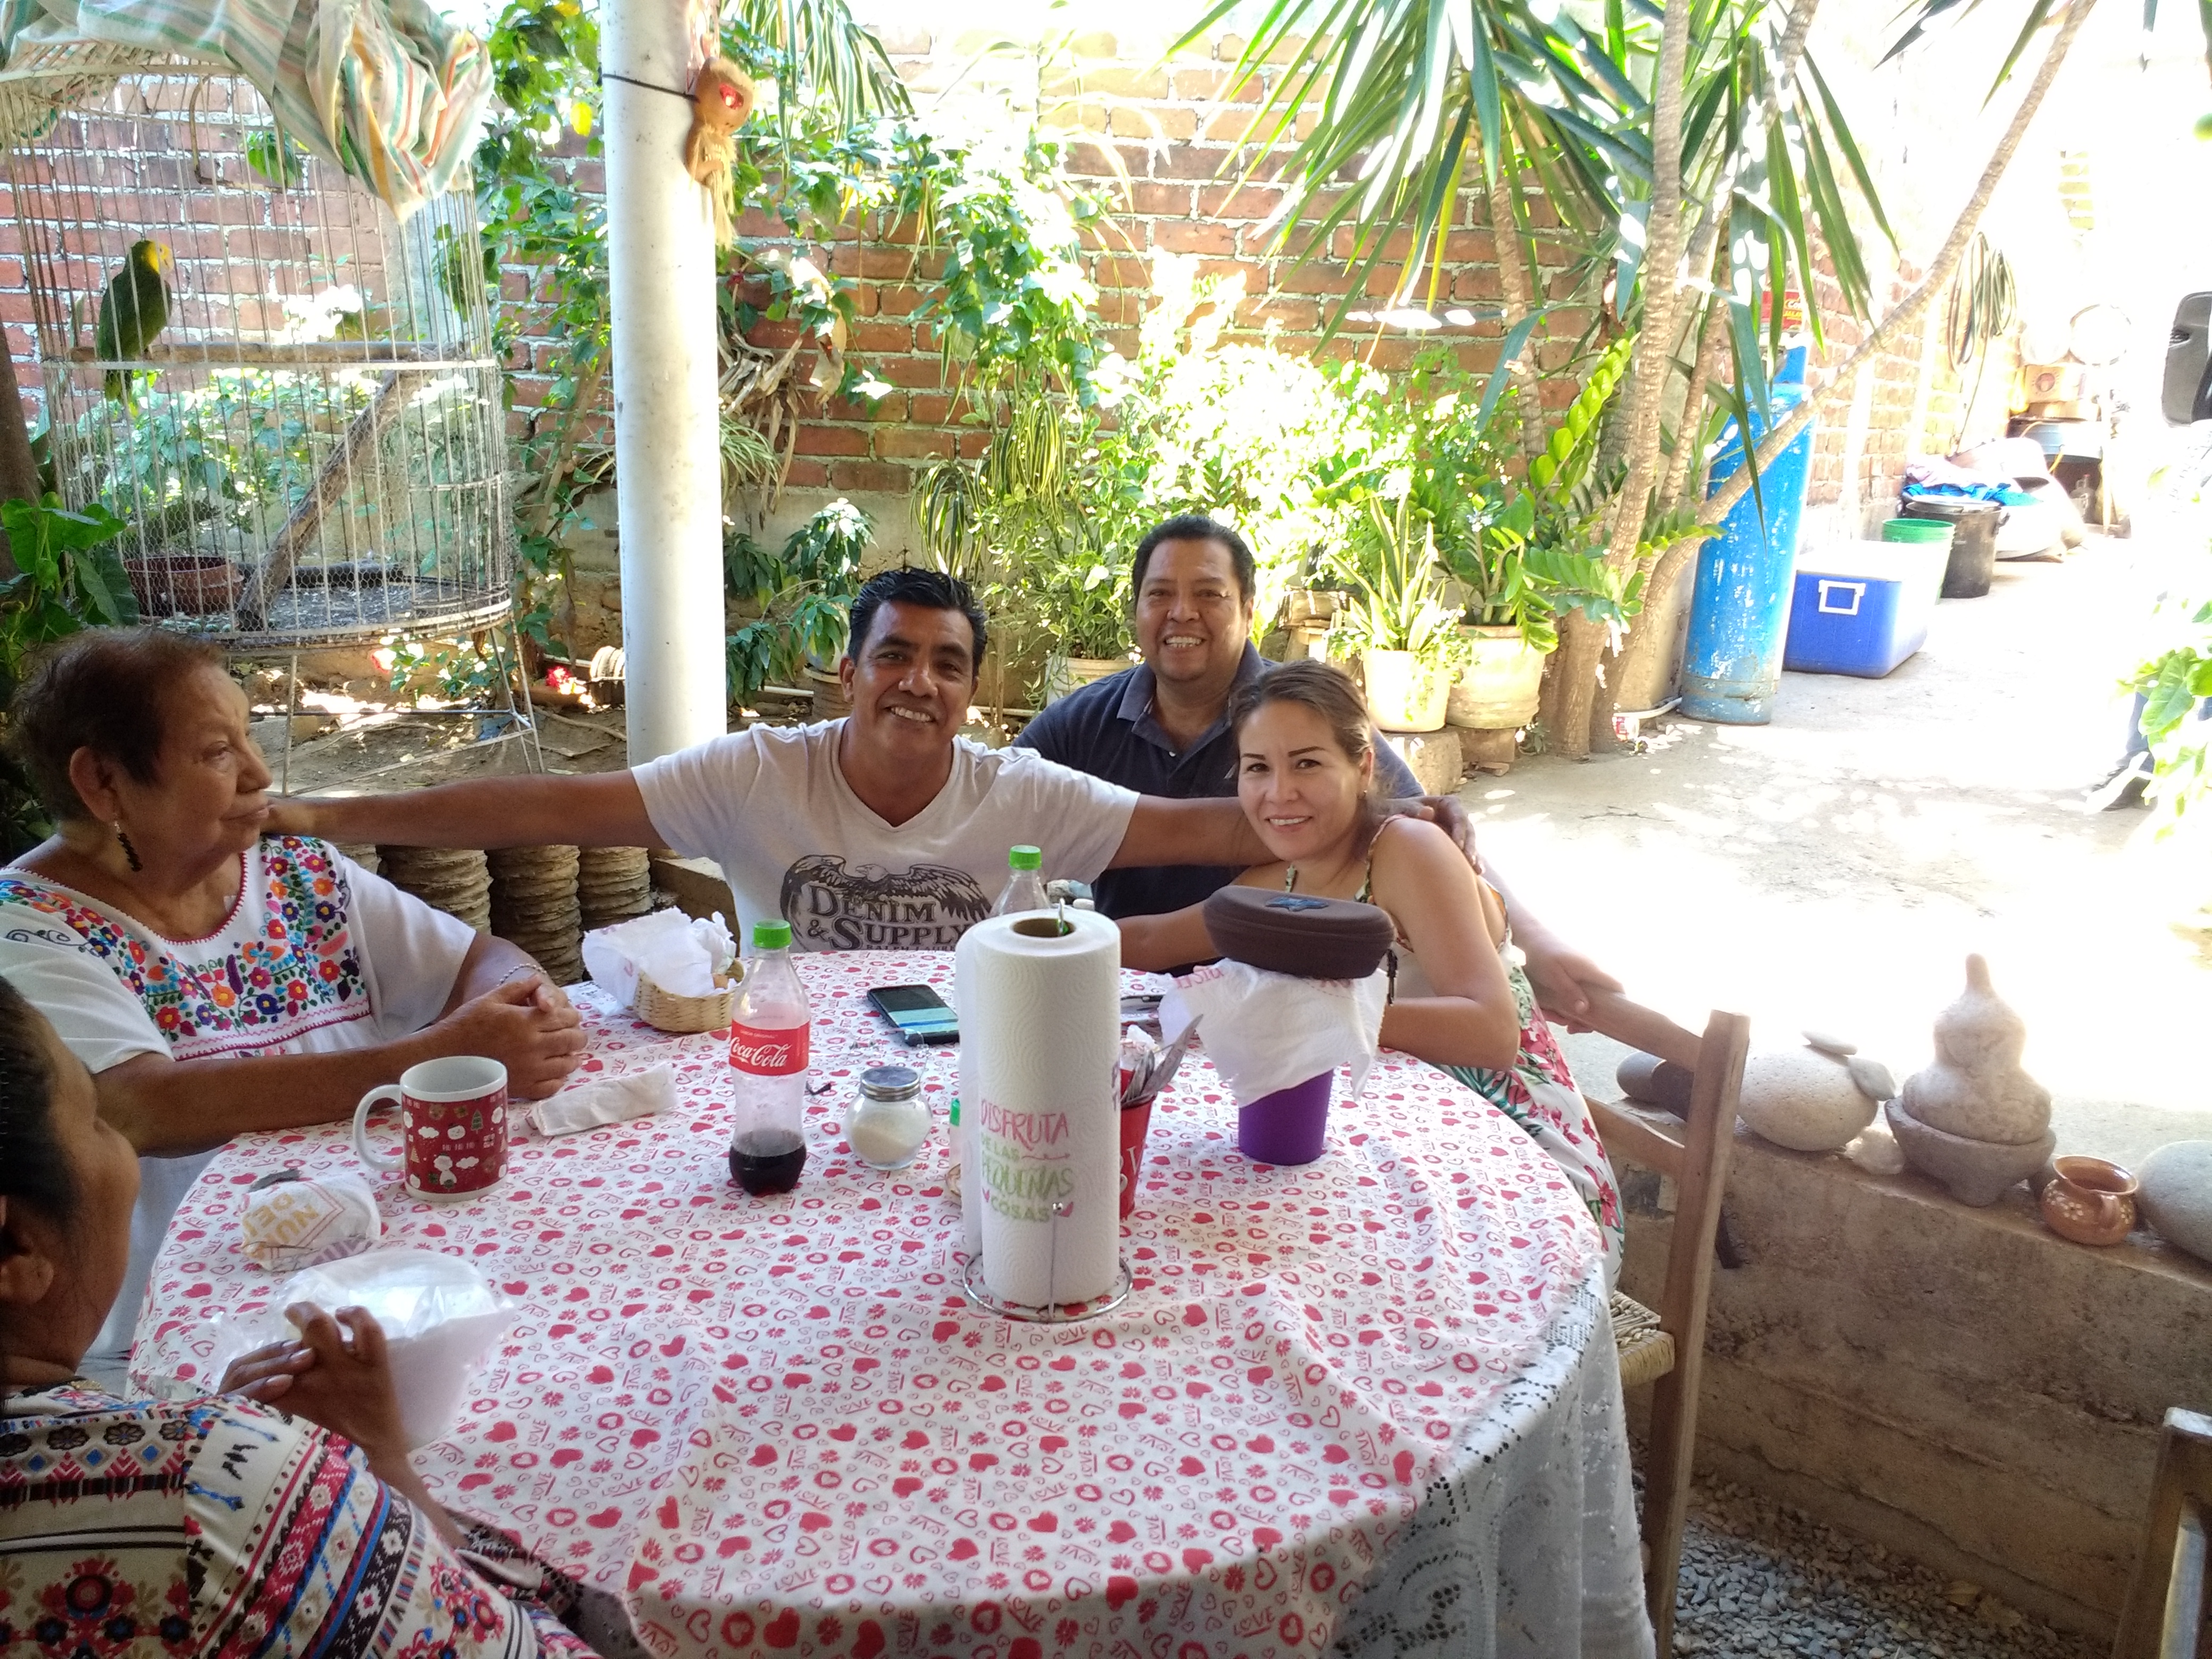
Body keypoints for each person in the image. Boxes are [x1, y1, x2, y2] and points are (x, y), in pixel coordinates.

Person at [0, 629, 585, 1384]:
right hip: (195, 1333)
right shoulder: (29, 928)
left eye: (248, 736)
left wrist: (522, 1000)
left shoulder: (293, 872)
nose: (259, 772)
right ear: (103, 783)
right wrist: (434, 1057)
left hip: (379, 1280)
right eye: (219, 752)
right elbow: (142, 1105)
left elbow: (476, 958)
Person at [0, 975, 599, 1656]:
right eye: (96, 1120)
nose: (119, 1144)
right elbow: (532, 1645)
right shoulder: (211, 1500)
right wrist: (378, 1465)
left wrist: (211, 1435)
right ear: (15, 1245)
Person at [271, 568, 1288, 950]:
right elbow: (539, 810)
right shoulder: (752, 776)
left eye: (947, 665)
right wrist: (322, 816)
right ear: (847, 673)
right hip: (782, 1071)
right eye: (894, 656)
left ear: (972, 692)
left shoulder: (1021, 795)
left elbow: (1210, 830)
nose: (918, 683)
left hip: (969, 1095)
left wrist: (1358, 817)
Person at [1117, 660, 1624, 1278]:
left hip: (1517, 1159)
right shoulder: (1278, 880)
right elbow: (1152, 938)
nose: (1278, 792)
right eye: (1257, 768)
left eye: (1306, 763)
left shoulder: (1406, 850)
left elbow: (1492, 1033)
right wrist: (1036, 939)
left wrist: (1317, 1013)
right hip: (1375, 1138)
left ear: (1360, 767)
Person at [1015, 513, 1621, 1023]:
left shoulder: (1299, 713)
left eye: (1209, 595)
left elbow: (1425, 835)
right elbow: (997, 801)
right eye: (1159, 595)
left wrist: (1535, 944)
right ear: (1137, 610)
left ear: (1248, 609)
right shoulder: (1080, 724)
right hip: (1138, 998)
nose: (1182, 613)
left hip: (1290, 1005)